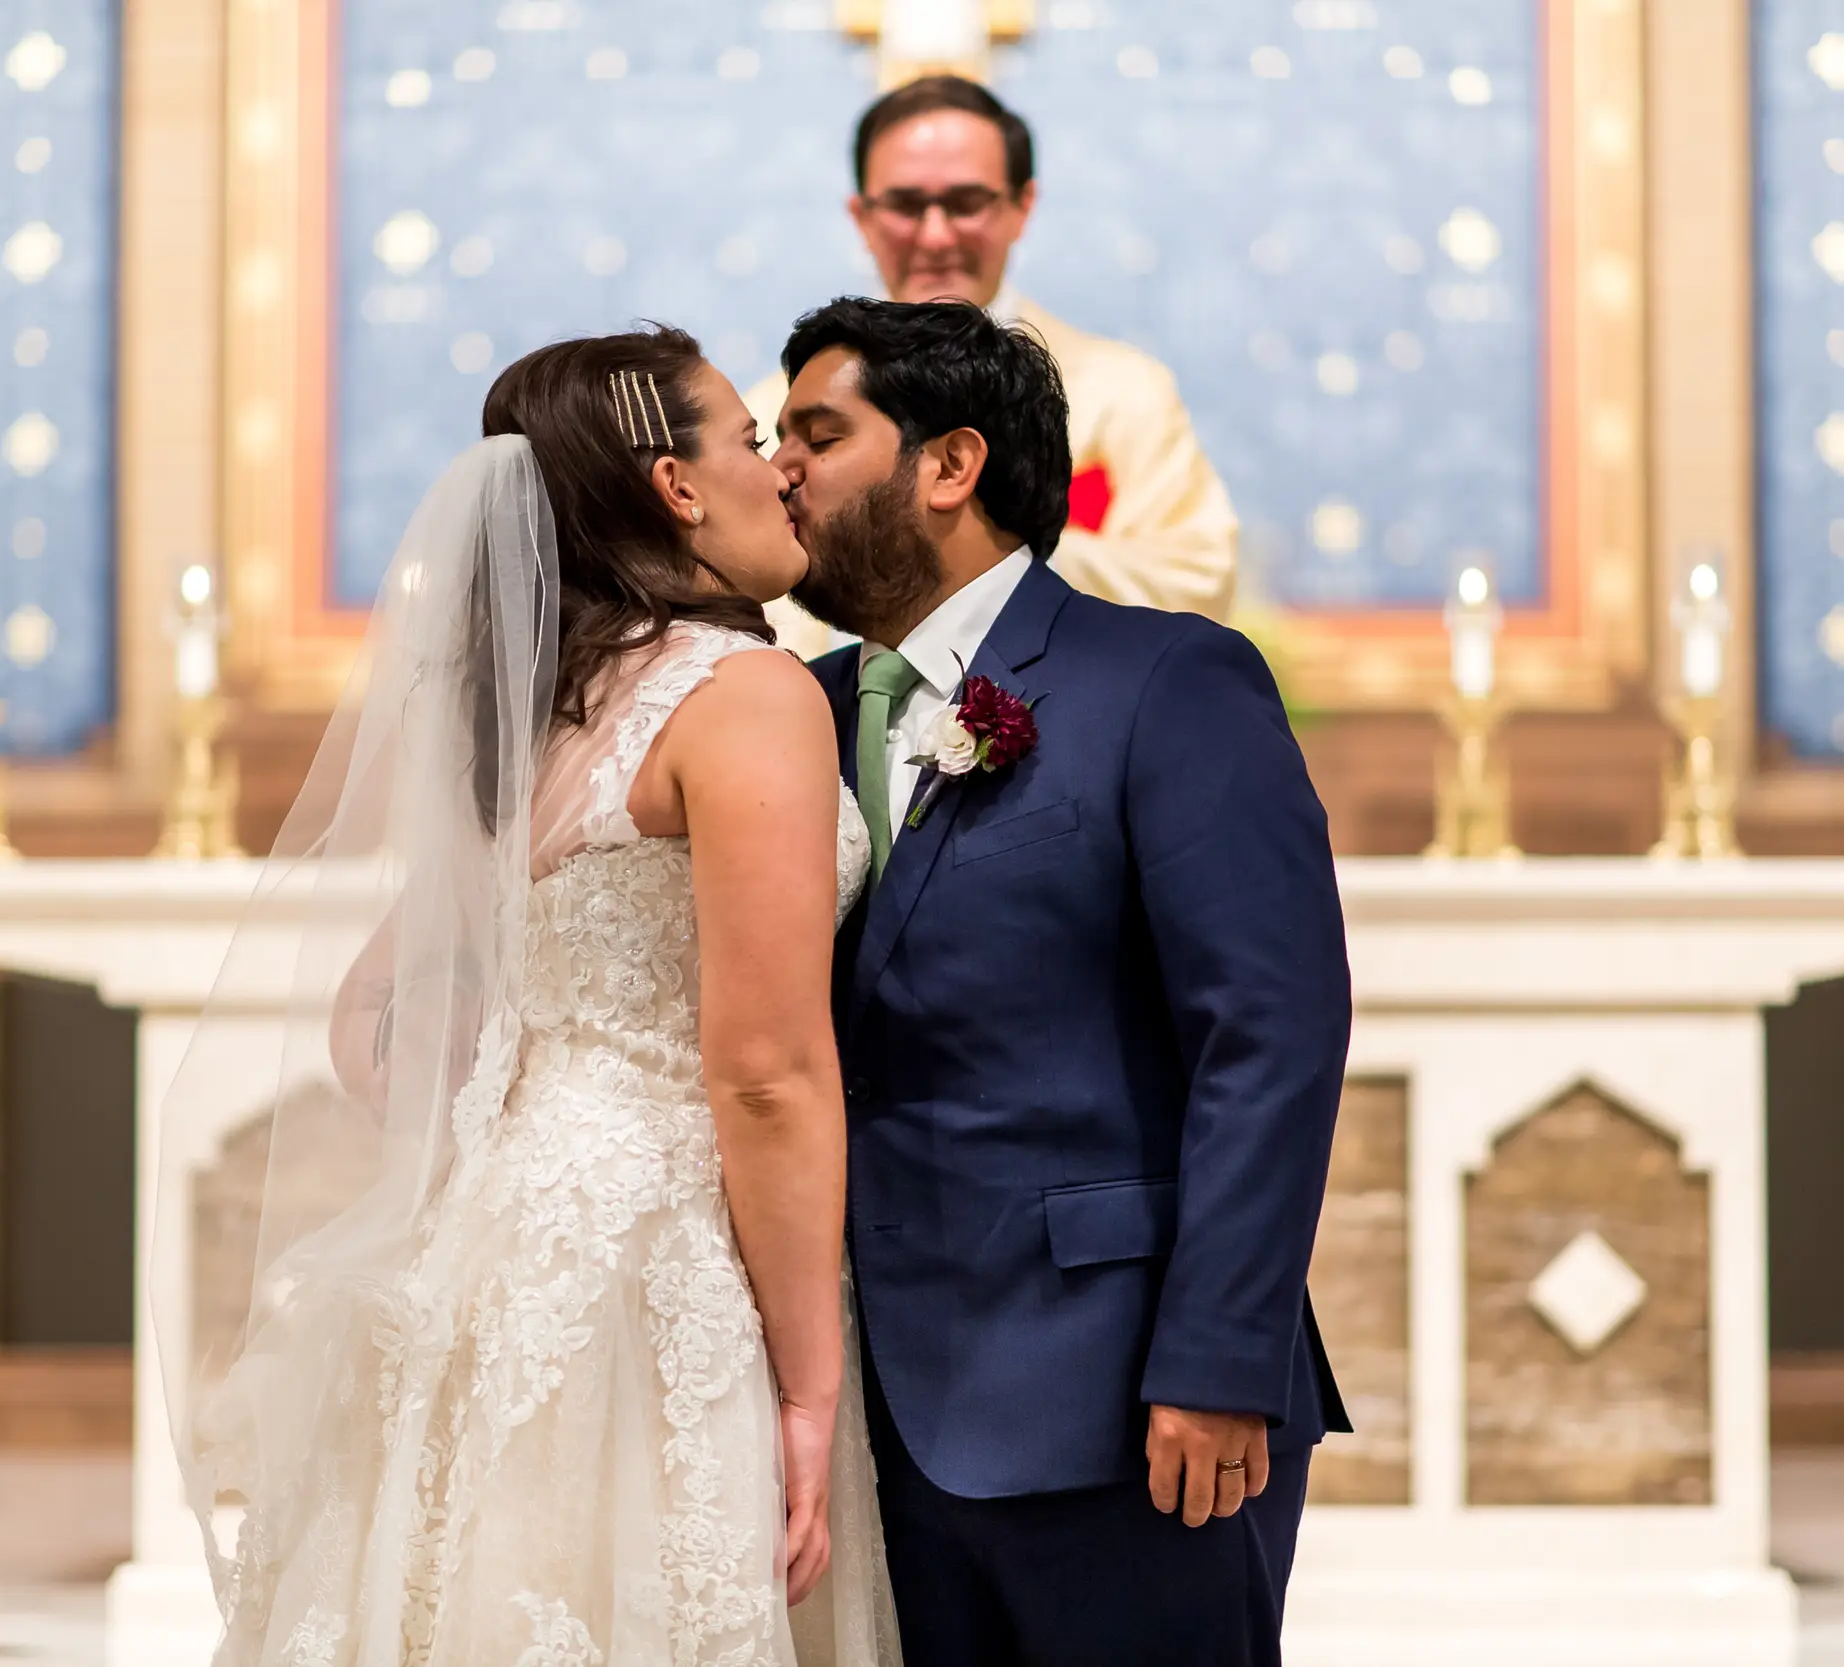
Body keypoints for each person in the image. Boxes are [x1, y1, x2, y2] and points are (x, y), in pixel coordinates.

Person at [162, 327, 901, 1665]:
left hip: (498, 1233)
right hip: (660, 1251)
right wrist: (810, 1386)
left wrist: (520, 1111)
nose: (776, 472)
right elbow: (764, 1071)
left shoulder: (530, 707)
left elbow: (368, 1017)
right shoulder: (744, 696)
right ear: (675, 484)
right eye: (745, 439)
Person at [771, 296, 1351, 1667]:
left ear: (950, 463)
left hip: (1124, 1397)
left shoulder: (1164, 679)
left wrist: (1216, 1359)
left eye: (817, 430)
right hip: (877, 1417)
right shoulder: (791, 705)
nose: (781, 465)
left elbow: (1269, 1038)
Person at [746, 75, 1239, 655]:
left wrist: (969, 559)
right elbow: (747, 606)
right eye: (905, 205)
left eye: (965, 203)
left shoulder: (1124, 390)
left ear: (1021, 207)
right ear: (862, 216)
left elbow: (1198, 580)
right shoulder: (773, 414)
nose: (935, 235)